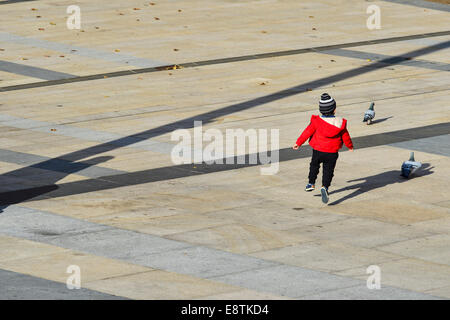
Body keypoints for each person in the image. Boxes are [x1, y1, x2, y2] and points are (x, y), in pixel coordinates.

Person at [293, 93, 354, 203]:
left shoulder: (316, 121)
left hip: (318, 150)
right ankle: (325, 187)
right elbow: (346, 136)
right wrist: (350, 146)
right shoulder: (340, 123)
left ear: (321, 110)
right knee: (328, 171)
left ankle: (311, 183)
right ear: (334, 110)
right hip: (332, 152)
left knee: (314, 165)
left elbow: (307, 132)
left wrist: (298, 142)